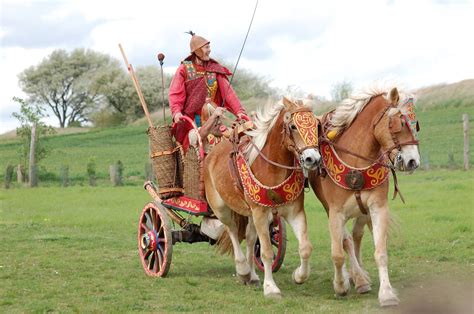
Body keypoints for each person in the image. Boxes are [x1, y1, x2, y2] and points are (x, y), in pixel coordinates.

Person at [169, 31, 247, 151]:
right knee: (194, 145)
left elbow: (229, 93)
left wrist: (239, 112)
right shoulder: (184, 69)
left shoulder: (214, 69)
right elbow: (175, 94)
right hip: (194, 124)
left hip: (216, 122)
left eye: (209, 47)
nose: (209, 50)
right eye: (206, 47)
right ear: (197, 50)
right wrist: (176, 112)